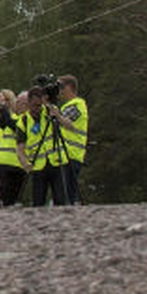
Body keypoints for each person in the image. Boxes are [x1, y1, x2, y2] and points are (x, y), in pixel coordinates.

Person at [0, 89, 30, 206]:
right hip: (3, 162)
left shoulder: (25, 118)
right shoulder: (10, 118)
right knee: (4, 199)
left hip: (18, 164)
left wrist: (4, 112)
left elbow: (14, 126)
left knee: (11, 198)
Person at [54, 76, 88, 205]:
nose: (60, 91)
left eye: (61, 87)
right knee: (63, 192)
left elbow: (68, 123)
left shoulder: (78, 104)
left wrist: (57, 115)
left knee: (67, 192)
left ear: (70, 87)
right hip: (63, 155)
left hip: (71, 154)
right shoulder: (66, 106)